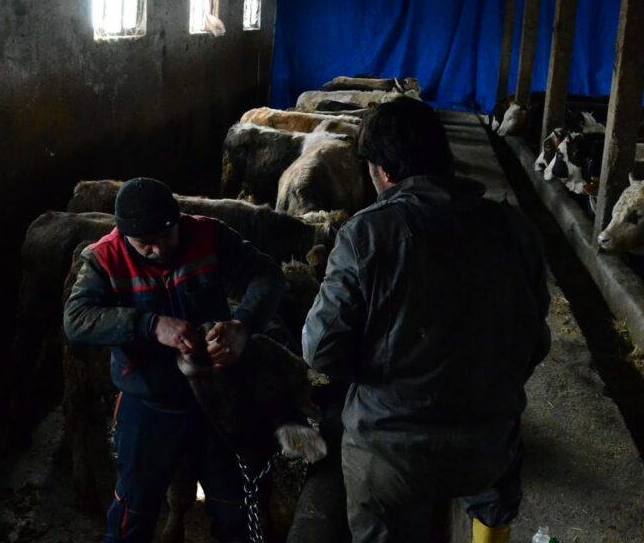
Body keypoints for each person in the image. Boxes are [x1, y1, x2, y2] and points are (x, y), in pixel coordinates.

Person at [301, 97, 550, 543]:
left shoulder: (365, 234)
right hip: (488, 445)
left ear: (382, 171)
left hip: (391, 452)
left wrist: (376, 375)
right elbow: (536, 338)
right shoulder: (515, 227)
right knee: (494, 498)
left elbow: (321, 351)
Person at [64, 177, 285, 543]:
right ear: (123, 235)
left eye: (165, 237)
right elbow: (77, 319)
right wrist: (150, 325)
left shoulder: (208, 234)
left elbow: (266, 274)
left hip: (215, 398)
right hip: (150, 401)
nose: (155, 250)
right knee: (133, 513)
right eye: (143, 244)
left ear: (178, 221)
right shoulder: (103, 257)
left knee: (236, 509)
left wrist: (243, 325)